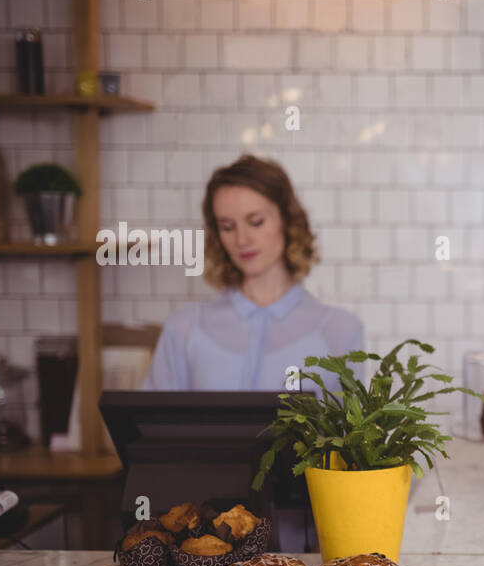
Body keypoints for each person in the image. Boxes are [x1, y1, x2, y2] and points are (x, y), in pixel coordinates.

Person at [142, 154, 362, 392]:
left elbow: (350, 428)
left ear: (286, 221)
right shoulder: (184, 328)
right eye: (227, 227)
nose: (242, 239)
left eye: (256, 222)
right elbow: (150, 425)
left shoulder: (340, 330)